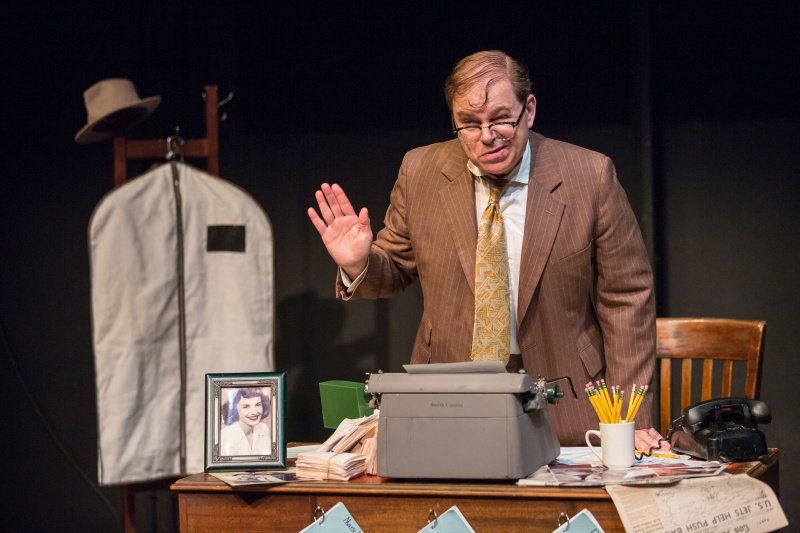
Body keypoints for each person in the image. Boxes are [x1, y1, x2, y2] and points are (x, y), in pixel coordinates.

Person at [308, 50, 667, 451]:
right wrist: (359, 263)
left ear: (528, 109)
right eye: (470, 124)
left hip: (568, 399)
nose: (487, 136)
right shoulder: (420, 170)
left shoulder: (590, 175)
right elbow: (393, 268)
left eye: (500, 118)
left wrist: (629, 416)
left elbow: (627, 298)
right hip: (449, 395)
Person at [220, 387, 272, 456]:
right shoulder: (225, 435)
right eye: (246, 406)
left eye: (258, 404)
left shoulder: (263, 428)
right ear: (235, 410)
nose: (254, 411)